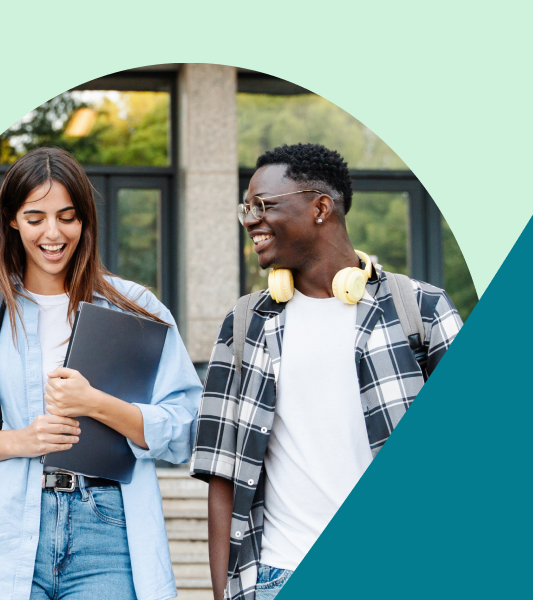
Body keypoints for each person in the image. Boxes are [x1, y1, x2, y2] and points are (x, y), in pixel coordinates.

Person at [0, 147, 202, 600]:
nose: (53, 233)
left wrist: (98, 405)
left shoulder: (135, 308)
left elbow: (187, 426)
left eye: (67, 217)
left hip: (108, 530)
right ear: (12, 219)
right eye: (36, 218)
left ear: (85, 220)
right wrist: (23, 440)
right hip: (3, 526)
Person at [190, 143, 462, 600]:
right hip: (279, 576)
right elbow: (221, 474)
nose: (250, 219)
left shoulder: (421, 308)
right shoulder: (243, 324)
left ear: (320, 208)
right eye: (246, 208)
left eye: (264, 205)